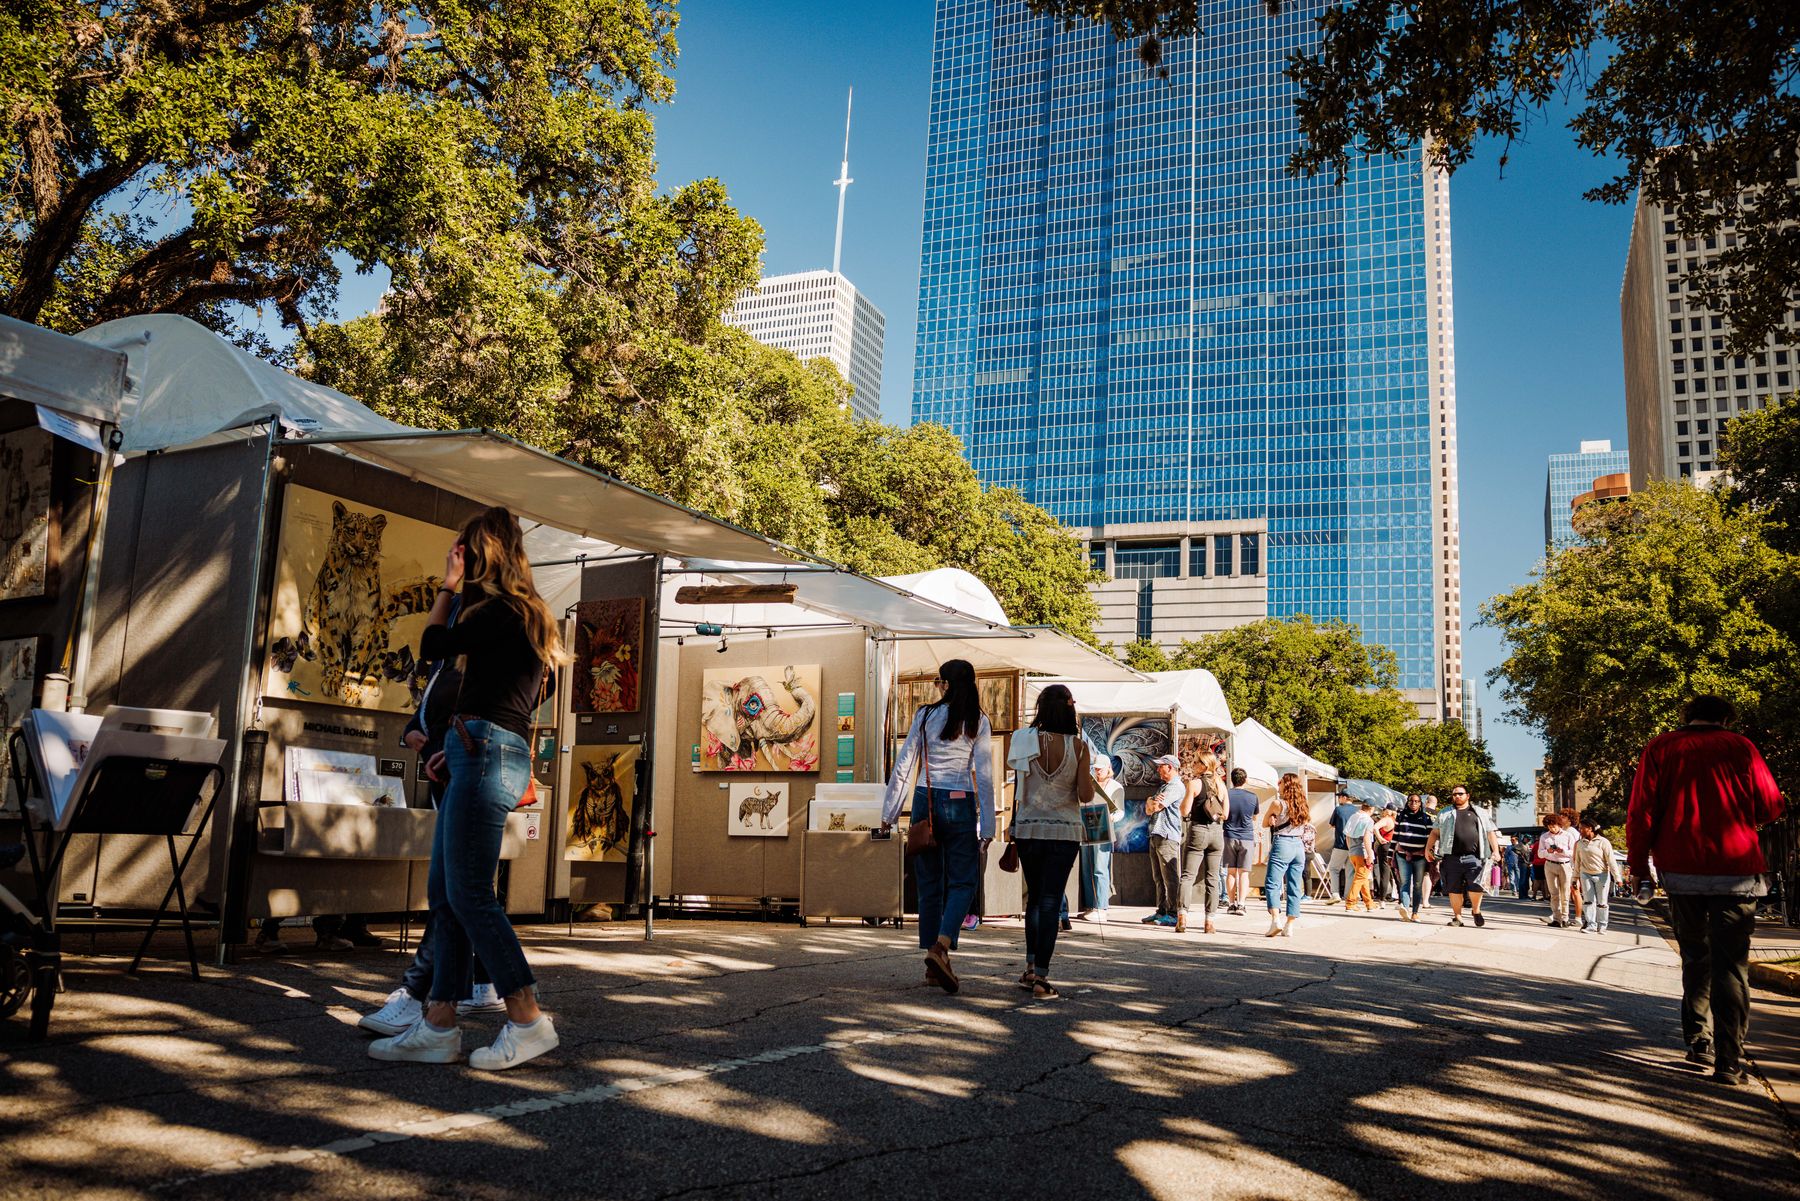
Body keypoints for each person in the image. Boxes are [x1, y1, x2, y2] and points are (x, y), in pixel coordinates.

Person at [368, 507, 565, 1069]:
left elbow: (432, 645)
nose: (462, 562)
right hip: (476, 750)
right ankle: (438, 1023)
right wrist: (450, 748)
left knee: (470, 893)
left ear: (487, 555)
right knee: (449, 893)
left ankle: (527, 1019)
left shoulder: (501, 610)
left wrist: (448, 587)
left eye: (468, 553)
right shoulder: (528, 618)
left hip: (483, 751)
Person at [1627, 696, 1785, 1086]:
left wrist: (1638, 868)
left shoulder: (1662, 747)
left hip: (1681, 870)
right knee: (1732, 965)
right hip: (1736, 869)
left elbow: (1641, 812)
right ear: (1727, 718)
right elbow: (1770, 806)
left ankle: (1699, 1040)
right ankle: (1730, 1061)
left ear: (1688, 716)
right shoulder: (1741, 747)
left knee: (1696, 956)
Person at [882, 659, 996, 993]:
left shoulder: (925, 715)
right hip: (961, 801)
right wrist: (987, 827)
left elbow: (904, 765)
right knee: (963, 881)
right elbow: (985, 777)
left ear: (945, 684)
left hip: (924, 799)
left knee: (929, 881)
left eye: (938, 682)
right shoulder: (979, 720)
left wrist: (889, 814)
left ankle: (933, 966)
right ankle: (941, 947)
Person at [1006, 685, 1092, 999]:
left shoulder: (1021, 739)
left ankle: (1029, 968)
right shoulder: (1079, 747)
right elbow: (1085, 795)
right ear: (1069, 708)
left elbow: (1017, 783)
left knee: (1035, 899)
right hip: (1064, 832)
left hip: (1028, 829)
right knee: (1051, 902)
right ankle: (1042, 977)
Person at [1423, 785, 1501, 927]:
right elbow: (1435, 832)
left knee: (1476, 886)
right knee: (1454, 888)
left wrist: (1496, 851)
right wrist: (1428, 848)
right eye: (1454, 794)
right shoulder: (1444, 813)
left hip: (1475, 856)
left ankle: (1476, 911)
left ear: (1468, 795)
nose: (1457, 796)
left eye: (1460, 794)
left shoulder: (1480, 813)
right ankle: (1457, 917)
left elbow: (1490, 832)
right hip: (1451, 857)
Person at [1176, 750, 1228, 933]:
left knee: (1188, 876)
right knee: (1213, 878)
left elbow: (1184, 810)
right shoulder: (1221, 785)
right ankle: (1209, 922)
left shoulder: (1195, 783)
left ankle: (1182, 916)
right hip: (1217, 833)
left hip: (1198, 830)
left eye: (1196, 762)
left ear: (1204, 765)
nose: (1192, 764)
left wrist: (1186, 805)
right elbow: (1226, 814)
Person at [1263, 773, 1314, 936]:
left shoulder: (1278, 804)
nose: (1278, 786)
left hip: (1282, 843)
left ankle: (1275, 920)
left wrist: (1271, 816)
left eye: (1280, 783)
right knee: (1294, 885)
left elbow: (1264, 823)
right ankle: (1289, 925)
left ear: (1286, 785)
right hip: (1298, 846)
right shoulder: (1303, 805)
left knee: (1273, 882)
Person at [1144, 754, 1185, 928]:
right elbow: (1148, 809)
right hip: (1155, 833)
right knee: (1158, 877)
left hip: (1167, 835)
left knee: (1170, 877)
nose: (1158, 769)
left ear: (1170, 767)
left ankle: (1173, 913)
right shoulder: (1164, 787)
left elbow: (1155, 807)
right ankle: (1161, 910)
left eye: (1161, 766)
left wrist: (1151, 803)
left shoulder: (1175, 787)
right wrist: (1149, 801)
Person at [1077, 757, 1120, 922]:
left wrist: (1110, 817)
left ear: (1108, 768)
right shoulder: (1090, 784)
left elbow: (1120, 811)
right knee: (1087, 868)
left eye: (1100, 769)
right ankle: (1090, 905)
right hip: (1087, 829)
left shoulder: (1116, 787)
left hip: (1103, 831)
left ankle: (1101, 906)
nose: (1098, 771)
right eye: (1095, 768)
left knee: (1100, 868)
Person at [1574, 817, 1624, 934]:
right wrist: (1575, 877)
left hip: (1602, 874)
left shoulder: (1603, 842)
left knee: (1602, 902)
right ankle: (1591, 924)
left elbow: (1611, 861)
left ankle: (1602, 925)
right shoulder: (1580, 843)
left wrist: (1617, 878)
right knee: (1588, 901)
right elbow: (1577, 862)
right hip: (1585, 874)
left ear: (1590, 829)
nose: (1580, 830)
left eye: (1582, 828)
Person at [1222, 768, 1260, 916]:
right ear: (1246, 780)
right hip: (1247, 837)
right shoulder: (1253, 797)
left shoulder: (1226, 795)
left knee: (1231, 872)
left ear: (1231, 779)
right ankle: (1242, 904)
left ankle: (1231, 904)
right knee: (1244, 873)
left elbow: (1223, 814)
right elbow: (1255, 817)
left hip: (1229, 835)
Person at [1391, 794, 1432, 921]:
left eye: (1416, 801)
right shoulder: (1401, 816)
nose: (1413, 803)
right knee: (1405, 883)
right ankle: (1405, 910)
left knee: (1418, 885)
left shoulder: (1426, 818)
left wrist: (1430, 855)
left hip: (1420, 857)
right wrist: (1389, 854)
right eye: (1411, 801)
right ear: (1407, 802)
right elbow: (1395, 836)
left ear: (1420, 803)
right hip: (1402, 855)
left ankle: (1415, 912)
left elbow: (1430, 839)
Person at [1537, 813, 1579, 928]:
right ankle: (1556, 918)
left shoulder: (1568, 835)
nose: (1552, 828)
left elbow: (1573, 852)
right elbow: (1540, 854)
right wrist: (1548, 851)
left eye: (1554, 826)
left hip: (1565, 865)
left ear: (1559, 824)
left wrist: (1563, 851)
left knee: (1565, 892)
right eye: (1549, 826)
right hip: (1550, 865)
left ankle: (1565, 918)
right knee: (1554, 893)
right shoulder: (1544, 837)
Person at [1326, 785, 1359, 904]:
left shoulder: (1338, 809)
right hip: (1354, 846)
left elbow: (1331, 825)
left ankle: (1335, 894)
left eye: (1340, 797)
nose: (1339, 799)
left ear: (1344, 798)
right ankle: (1348, 896)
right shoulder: (1357, 811)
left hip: (1340, 844)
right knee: (1350, 872)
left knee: (1334, 869)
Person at [1343, 801, 1377, 912]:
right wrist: (1370, 854)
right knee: (1360, 878)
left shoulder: (1353, 817)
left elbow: (1347, 836)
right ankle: (1350, 903)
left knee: (1363, 879)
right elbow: (1367, 838)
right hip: (1362, 852)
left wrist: (1350, 850)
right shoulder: (1368, 820)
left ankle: (1369, 903)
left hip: (1352, 852)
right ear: (1371, 809)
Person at [1372, 803, 1398, 904]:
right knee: (1396, 873)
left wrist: (1380, 838)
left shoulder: (1386, 819)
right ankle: (1402, 899)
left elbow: (1375, 827)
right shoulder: (1396, 821)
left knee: (1384, 873)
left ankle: (1382, 899)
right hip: (1394, 847)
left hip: (1385, 845)